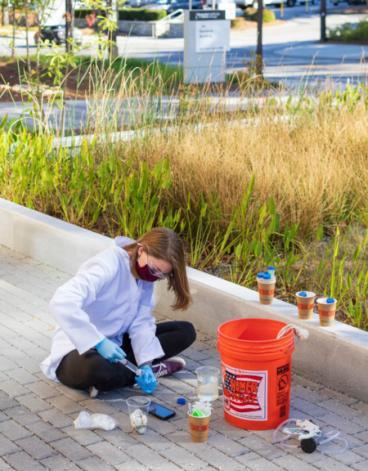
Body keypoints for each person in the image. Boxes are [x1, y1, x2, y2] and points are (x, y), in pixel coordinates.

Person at [40, 228, 196, 396]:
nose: (154, 277)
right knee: (99, 369)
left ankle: (141, 371)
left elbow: (141, 322)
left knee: (185, 331)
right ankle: (127, 375)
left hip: (115, 344)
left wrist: (145, 363)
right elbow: (62, 301)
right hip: (79, 348)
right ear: (142, 250)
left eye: (161, 275)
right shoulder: (107, 264)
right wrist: (98, 342)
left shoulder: (144, 273)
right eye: (154, 270)